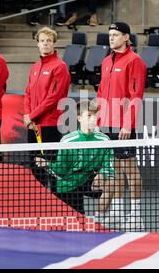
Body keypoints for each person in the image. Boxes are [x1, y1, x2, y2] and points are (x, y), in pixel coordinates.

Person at [96, 22, 146, 231]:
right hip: (106, 124)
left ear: (126, 37)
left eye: (116, 35)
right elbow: (100, 93)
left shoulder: (135, 61)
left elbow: (136, 96)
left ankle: (136, 215)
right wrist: (98, 121)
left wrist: (127, 125)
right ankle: (116, 211)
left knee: (130, 171)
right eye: (110, 35)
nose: (111, 38)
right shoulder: (106, 61)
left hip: (123, 125)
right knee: (115, 171)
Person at [34, 100, 115, 221]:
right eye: (89, 116)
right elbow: (62, 170)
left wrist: (102, 174)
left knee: (111, 183)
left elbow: (108, 165)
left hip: (89, 181)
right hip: (69, 183)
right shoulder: (67, 141)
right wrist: (48, 165)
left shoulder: (104, 140)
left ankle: (99, 220)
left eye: (95, 115)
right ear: (79, 118)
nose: (93, 119)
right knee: (76, 222)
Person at [24, 27, 71, 185]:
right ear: (37, 44)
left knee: (51, 167)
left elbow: (53, 97)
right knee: (35, 167)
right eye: (42, 41)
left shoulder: (60, 67)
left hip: (51, 125)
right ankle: (37, 204)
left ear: (54, 44)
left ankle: (54, 205)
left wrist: (31, 115)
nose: (45, 44)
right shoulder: (35, 67)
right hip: (33, 125)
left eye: (49, 41)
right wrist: (27, 115)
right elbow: (28, 93)